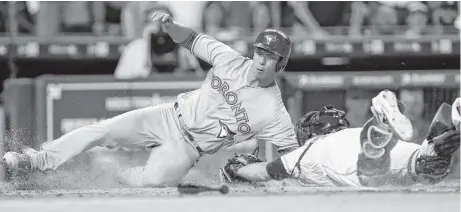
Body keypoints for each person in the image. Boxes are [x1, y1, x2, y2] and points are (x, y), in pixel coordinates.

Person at [2, 12, 299, 187]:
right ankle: (35, 160)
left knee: (149, 184)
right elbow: (192, 39)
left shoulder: (274, 111)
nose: (261, 60)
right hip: (168, 116)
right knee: (101, 129)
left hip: (187, 149)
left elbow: (293, 157)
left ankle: (115, 174)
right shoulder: (230, 59)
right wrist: (170, 26)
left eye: (270, 57)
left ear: (281, 65)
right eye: (260, 52)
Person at [221, 90, 460, 187]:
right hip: (398, 153)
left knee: (371, 176)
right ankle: (454, 121)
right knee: (431, 165)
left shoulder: (312, 148)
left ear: (313, 132)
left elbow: (265, 171)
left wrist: (238, 170)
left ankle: (379, 120)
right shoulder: (349, 134)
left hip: (361, 166)